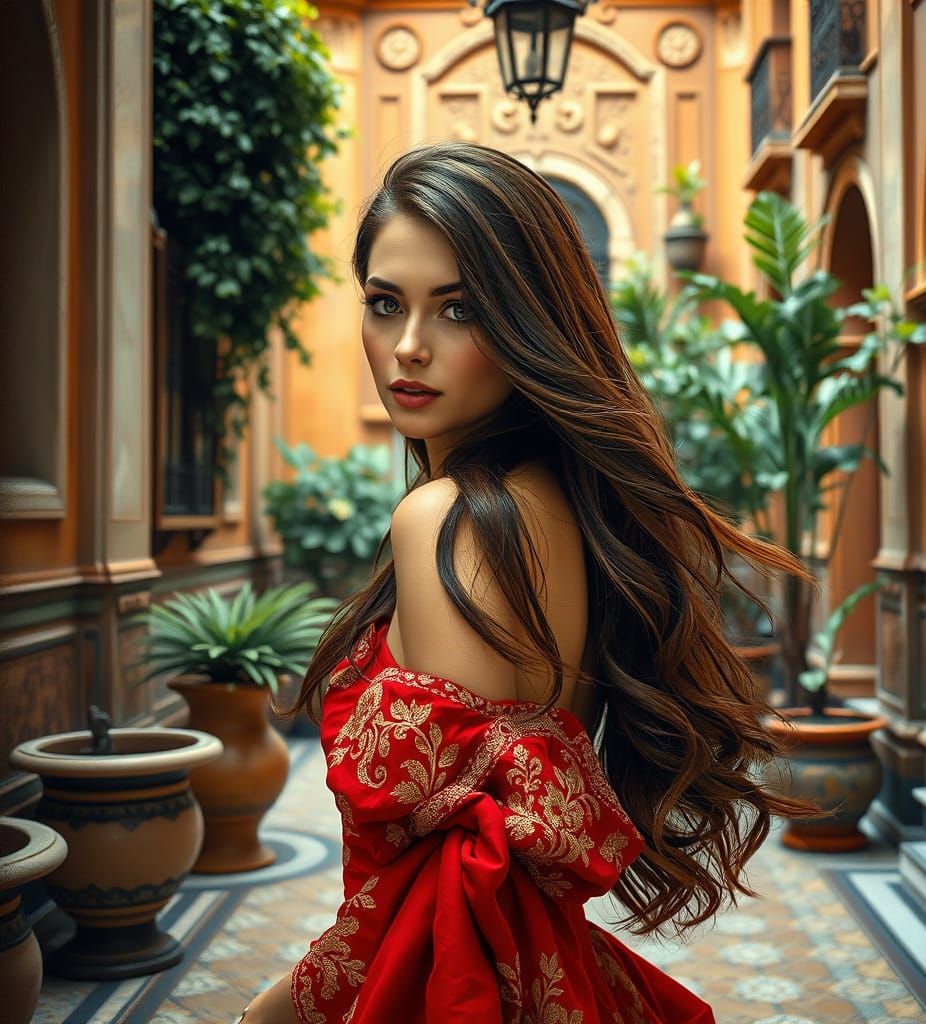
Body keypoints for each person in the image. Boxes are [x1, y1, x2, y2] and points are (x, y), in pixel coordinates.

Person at [241, 140, 816, 1024]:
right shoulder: (562, 503)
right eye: (385, 303)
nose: (408, 347)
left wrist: (281, 1008)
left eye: (460, 309)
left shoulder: (447, 520)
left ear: (527, 323)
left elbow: (445, 888)